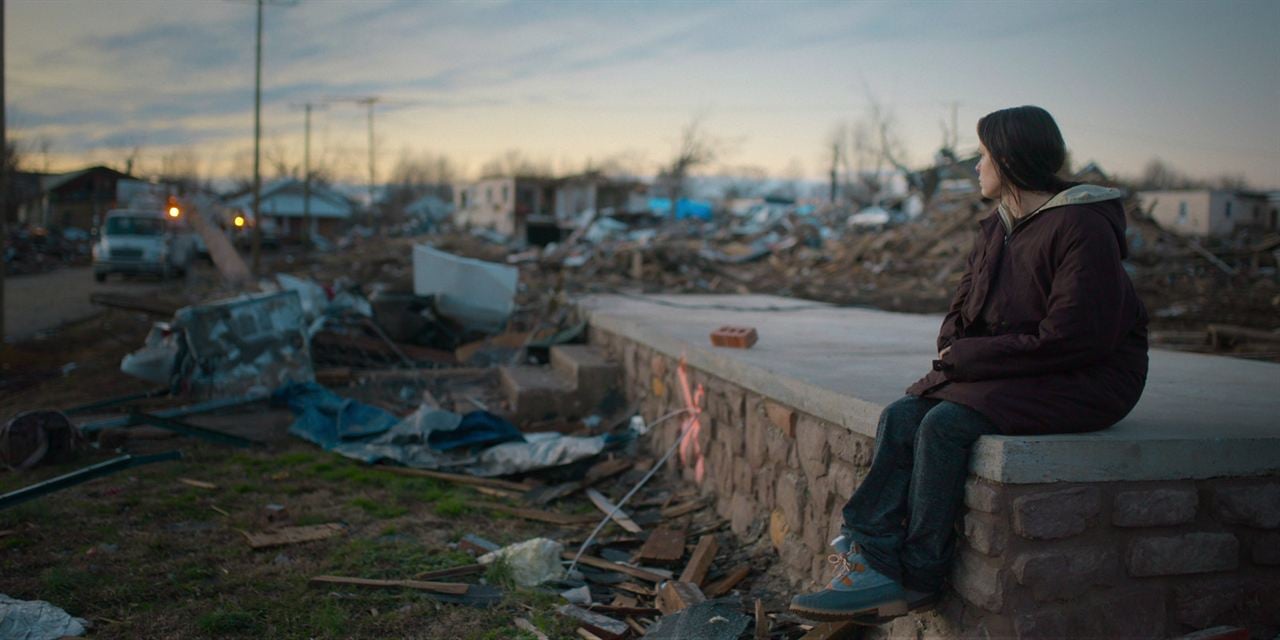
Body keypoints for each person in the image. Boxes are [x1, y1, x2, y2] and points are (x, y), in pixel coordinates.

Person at [789, 105, 1149, 623]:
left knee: (945, 424)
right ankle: (873, 560)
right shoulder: (997, 228)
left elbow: (1075, 338)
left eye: (982, 156)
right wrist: (958, 353)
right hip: (1021, 368)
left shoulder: (1081, 227)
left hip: (1090, 376)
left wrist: (970, 358)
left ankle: (917, 577)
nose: (976, 167)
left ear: (1008, 158)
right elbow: (961, 313)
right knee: (903, 414)